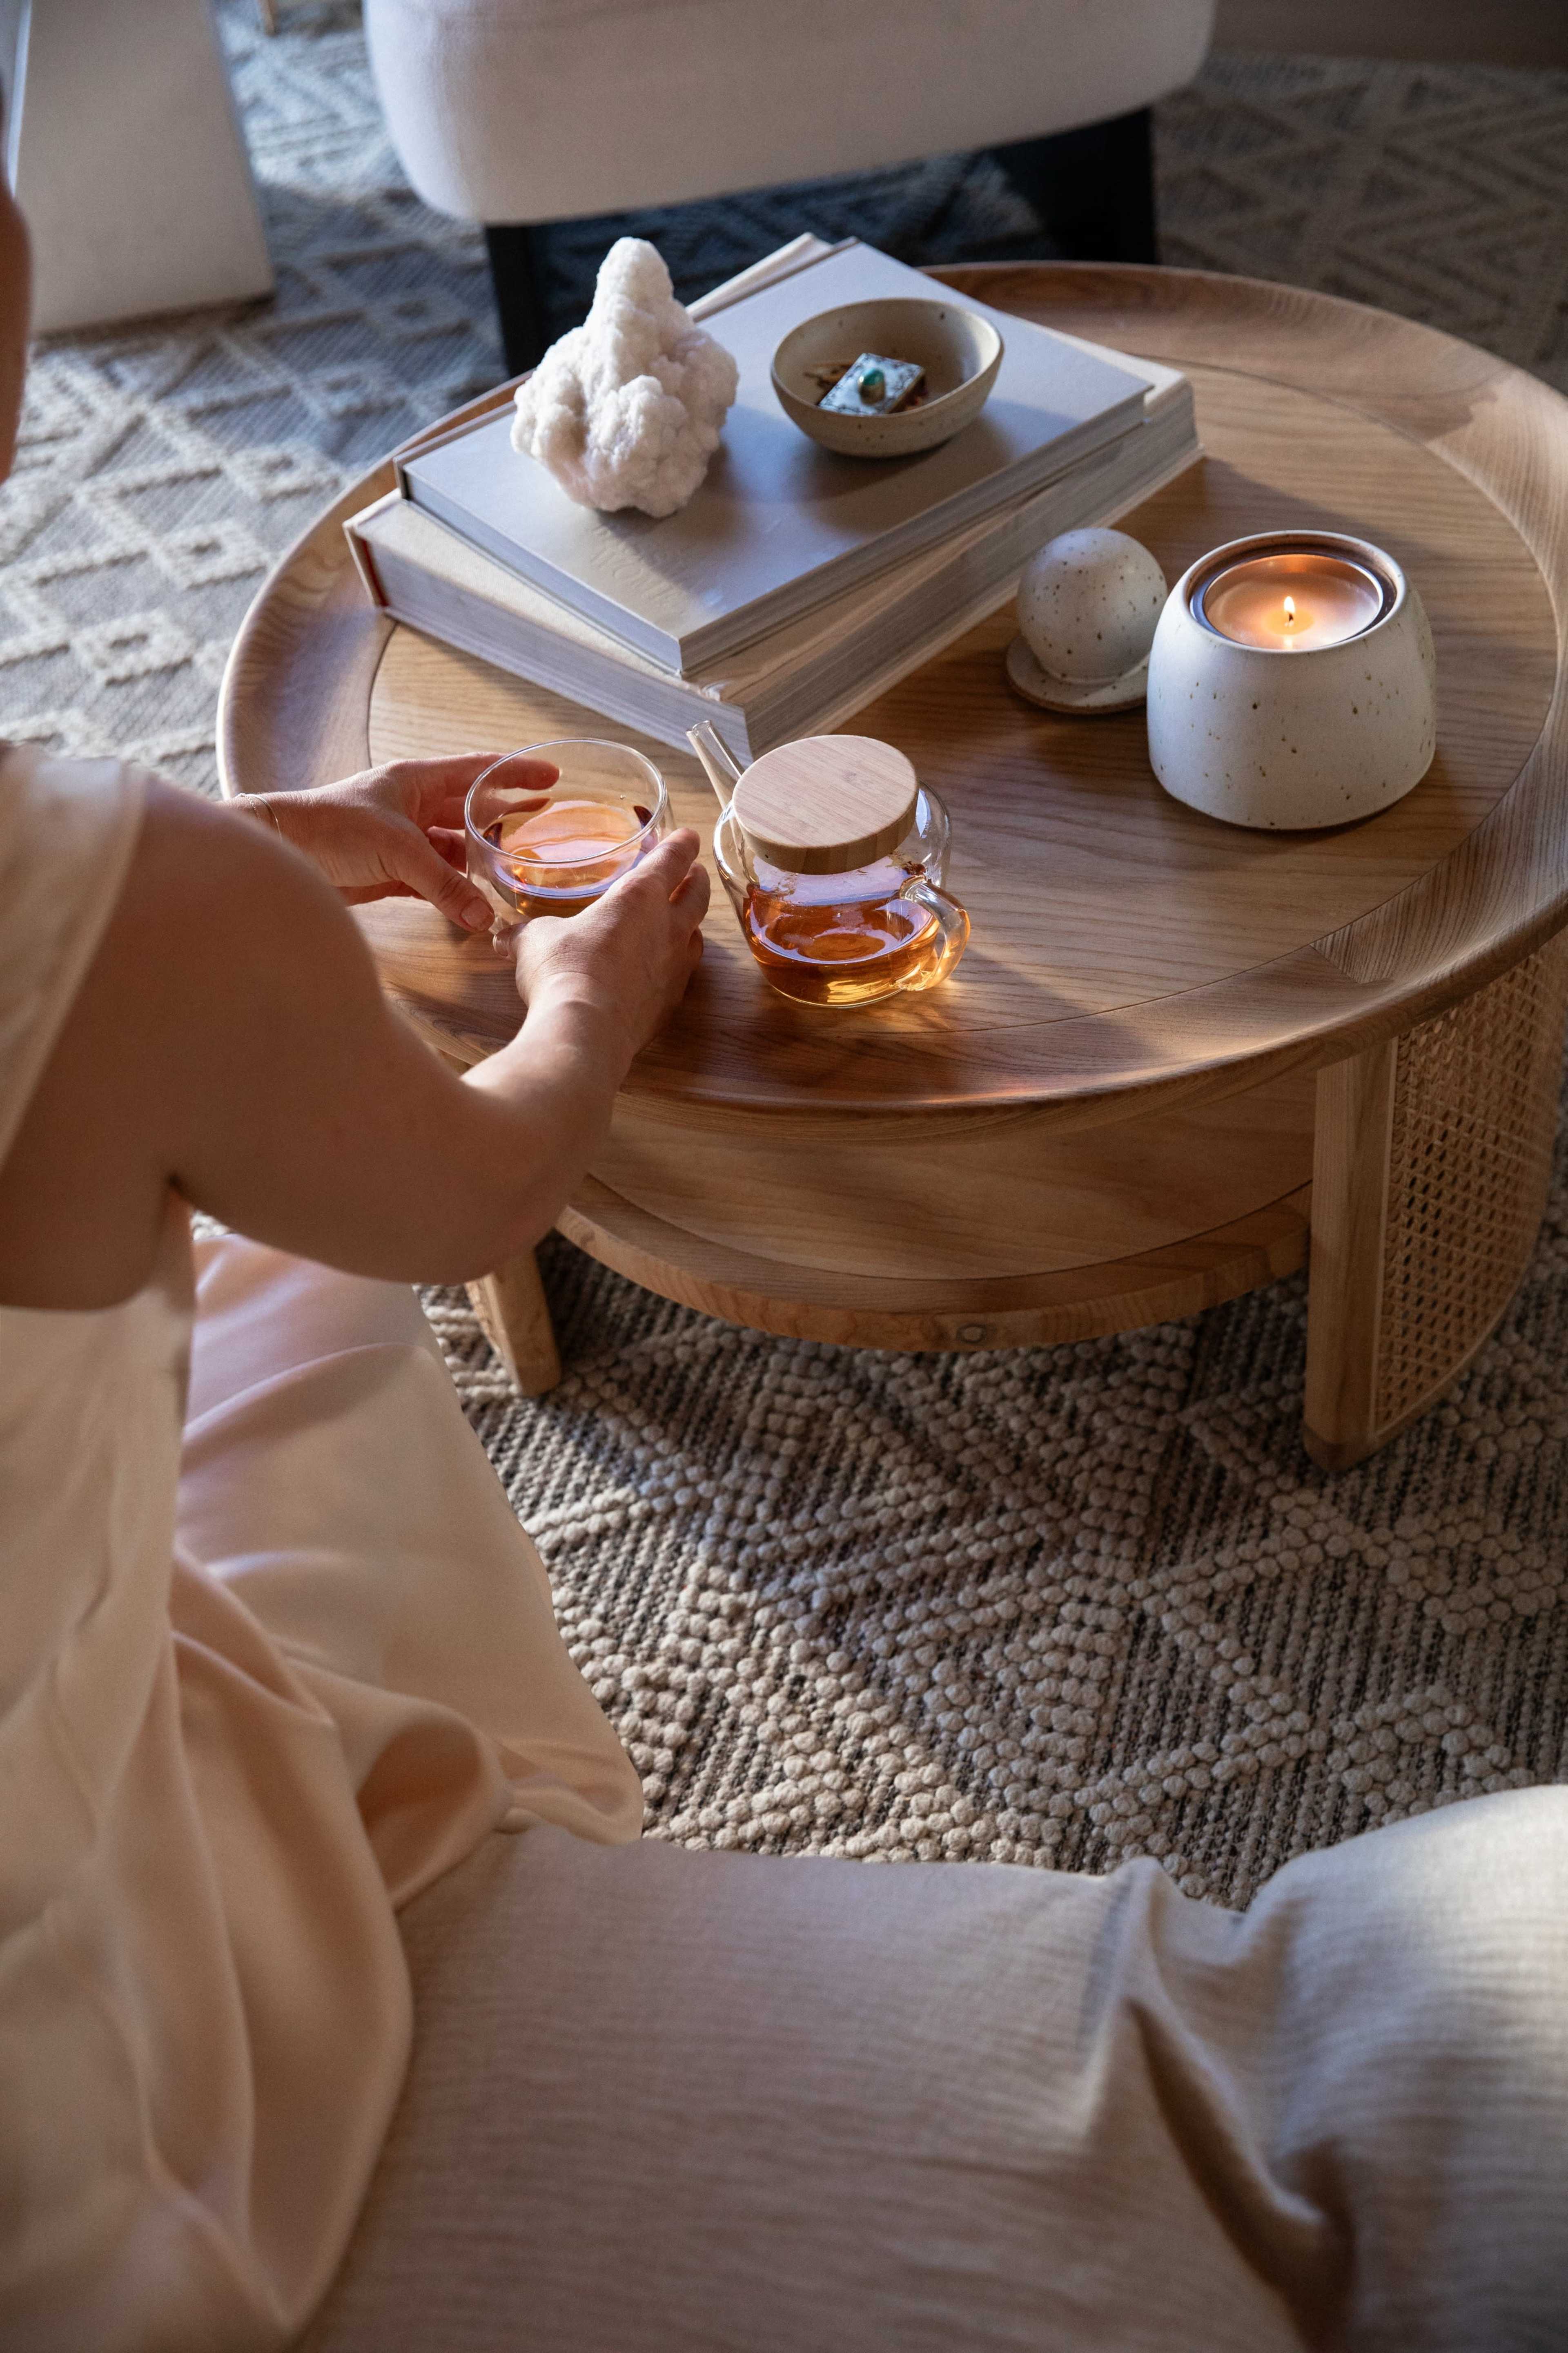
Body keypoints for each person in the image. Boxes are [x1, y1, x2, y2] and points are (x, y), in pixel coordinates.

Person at [2, 168, 1566, 2353]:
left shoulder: (132, 903)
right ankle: (466, 1854)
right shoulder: (126, 905)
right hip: (84, 2107)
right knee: (329, 1250)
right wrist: (589, 1011)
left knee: (266, 1268)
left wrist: (234, 900)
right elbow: (468, 1197)